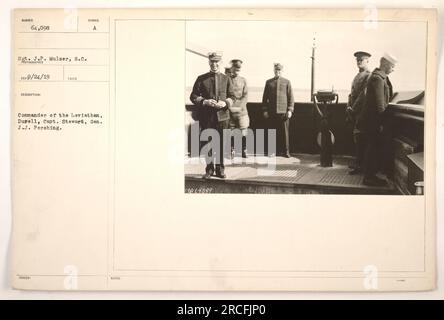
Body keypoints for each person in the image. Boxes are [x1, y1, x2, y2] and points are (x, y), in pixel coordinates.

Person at [190, 52, 236, 179]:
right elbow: (193, 96)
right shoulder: (201, 78)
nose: (214, 64)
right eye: (212, 62)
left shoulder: (227, 79)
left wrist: (225, 103)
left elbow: (233, 97)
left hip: (222, 117)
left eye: (217, 62)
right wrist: (204, 101)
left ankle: (220, 170)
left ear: (220, 63)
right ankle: (209, 170)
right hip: (207, 117)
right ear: (209, 62)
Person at [357, 53, 396, 186]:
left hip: (371, 120)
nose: (393, 69)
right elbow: (381, 105)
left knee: (372, 147)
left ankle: (370, 175)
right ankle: (368, 177)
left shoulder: (377, 77)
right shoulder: (378, 79)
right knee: (372, 148)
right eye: (392, 66)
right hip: (374, 121)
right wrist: (382, 123)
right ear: (385, 65)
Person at [346, 51, 372, 175]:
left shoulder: (369, 75)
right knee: (357, 139)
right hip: (355, 113)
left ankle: (361, 166)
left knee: (362, 139)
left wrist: (354, 108)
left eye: (361, 60)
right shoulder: (357, 76)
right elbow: (352, 93)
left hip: (362, 113)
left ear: (367, 61)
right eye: (357, 60)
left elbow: (363, 95)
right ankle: (359, 163)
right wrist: (348, 106)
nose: (359, 62)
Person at [261, 63, 295, 158]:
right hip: (272, 112)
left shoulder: (287, 82)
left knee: (285, 133)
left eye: (279, 70)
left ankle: (286, 152)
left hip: (283, 113)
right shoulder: (269, 82)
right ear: (274, 70)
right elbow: (264, 99)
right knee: (271, 132)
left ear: (282, 71)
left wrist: (290, 110)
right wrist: (265, 110)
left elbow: (291, 98)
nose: (277, 72)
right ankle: (272, 151)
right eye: (276, 70)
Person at [228, 59, 249, 158]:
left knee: (243, 130)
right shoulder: (226, 79)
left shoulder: (243, 80)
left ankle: (244, 150)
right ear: (232, 68)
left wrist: (240, 107)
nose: (237, 70)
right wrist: (230, 106)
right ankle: (232, 150)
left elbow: (245, 95)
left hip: (241, 111)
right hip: (230, 110)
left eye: (238, 69)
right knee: (231, 130)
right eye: (235, 68)